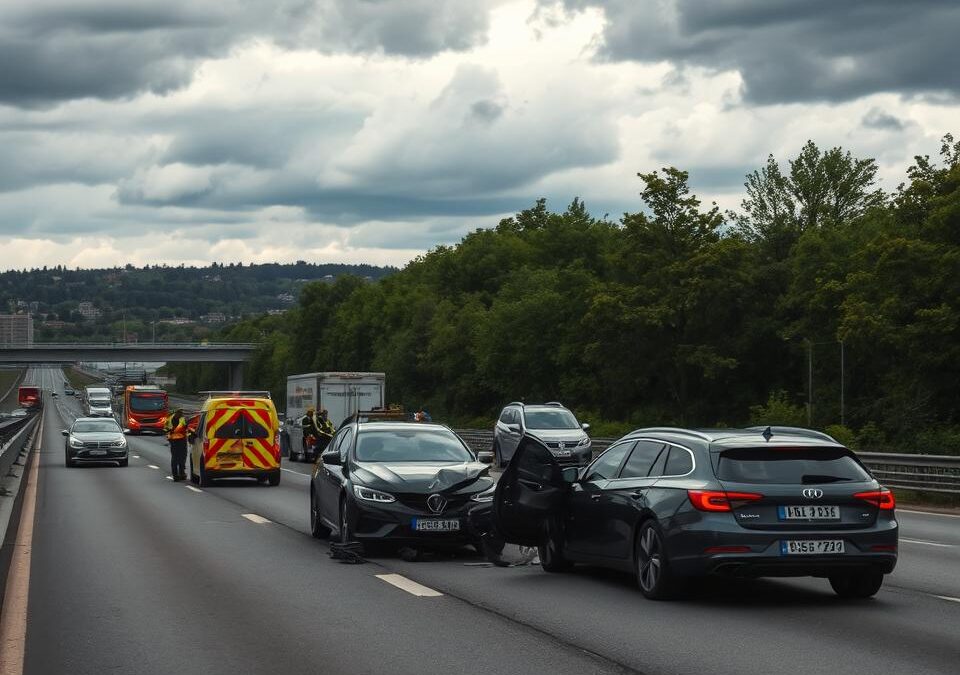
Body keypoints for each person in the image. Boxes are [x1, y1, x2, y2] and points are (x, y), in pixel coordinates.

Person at [164, 408, 189, 481]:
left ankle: (181, 474)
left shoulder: (169, 418)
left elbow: (165, 428)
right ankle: (177, 475)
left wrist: (169, 435)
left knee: (179, 457)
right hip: (179, 440)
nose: (181, 414)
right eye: (180, 413)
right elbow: (185, 426)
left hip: (175, 440)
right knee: (179, 457)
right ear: (177, 413)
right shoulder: (182, 419)